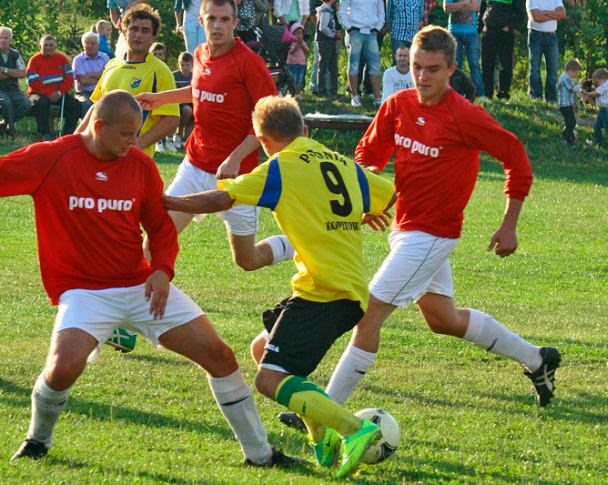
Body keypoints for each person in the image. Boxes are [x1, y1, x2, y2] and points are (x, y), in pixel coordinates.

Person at [275, 28, 560, 437]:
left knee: (366, 315)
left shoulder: (465, 116)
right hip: (405, 229)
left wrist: (509, 223)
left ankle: (324, 410)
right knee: (442, 318)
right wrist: (367, 196)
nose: (422, 77)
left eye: (432, 69)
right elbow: (367, 157)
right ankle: (538, 359)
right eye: (415, 68)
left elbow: (516, 156)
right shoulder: (397, 105)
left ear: (450, 69)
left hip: (433, 235)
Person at [3, 90, 300, 468]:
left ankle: (260, 455)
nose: (135, 141)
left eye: (137, 133)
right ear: (98, 126)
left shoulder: (140, 166)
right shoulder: (51, 157)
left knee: (221, 357)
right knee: (62, 369)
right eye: (127, 134)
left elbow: (160, 228)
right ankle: (37, 441)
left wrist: (161, 270)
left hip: (140, 286)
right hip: (84, 292)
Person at [164, 94, 396, 478]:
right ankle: (319, 430)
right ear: (303, 129)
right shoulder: (340, 162)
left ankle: (355, 429)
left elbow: (221, 196)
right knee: (261, 349)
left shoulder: (280, 167)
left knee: (269, 379)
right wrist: (368, 211)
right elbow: (388, 192)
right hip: (333, 287)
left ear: (264, 141)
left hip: (328, 293)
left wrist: (165, 200)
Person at [136, 0, 294, 279]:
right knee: (156, 239)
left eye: (224, 20)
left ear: (235, 24)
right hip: (194, 166)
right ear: (201, 21)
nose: (217, 26)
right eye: (212, 19)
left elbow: (270, 121)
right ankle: (140, 308)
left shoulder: (249, 63)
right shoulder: (199, 54)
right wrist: (158, 99)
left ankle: (290, 246)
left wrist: (235, 158)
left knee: (247, 259)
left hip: (236, 177)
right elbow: (199, 92)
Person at [81, 4, 180, 158]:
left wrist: (137, 145)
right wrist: (76, 138)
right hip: (99, 154)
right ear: (125, 32)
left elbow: (172, 119)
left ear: (153, 37)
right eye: (134, 29)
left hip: (133, 160)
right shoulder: (112, 64)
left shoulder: (160, 71)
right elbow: (96, 108)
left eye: (145, 31)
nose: (138, 35)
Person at [26, 35, 83, 141]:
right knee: (42, 103)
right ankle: (45, 134)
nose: (48, 47)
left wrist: (59, 92)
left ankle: (67, 135)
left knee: (75, 105)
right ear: (40, 46)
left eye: (51, 45)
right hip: (38, 93)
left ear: (55, 46)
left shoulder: (62, 59)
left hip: (58, 93)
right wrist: (48, 93)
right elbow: (33, 81)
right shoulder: (34, 60)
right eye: (45, 45)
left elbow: (69, 77)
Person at [339, 0, 385, 106]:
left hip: (371, 33)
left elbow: (381, 12)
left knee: (375, 66)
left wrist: (377, 28)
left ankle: (378, 98)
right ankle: (354, 96)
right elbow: (342, 11)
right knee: (354, 65)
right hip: (355, 32)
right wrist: (349, 28)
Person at [478, 0, 525, 100]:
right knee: (486, 64)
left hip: (505, 34)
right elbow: (482, 9)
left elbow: (520, 14)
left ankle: (503, 94)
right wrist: (479, 29)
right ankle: (487, 94)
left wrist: (509, 26)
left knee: (506, 65)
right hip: (488, 31)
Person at [526, 0, 565, 102]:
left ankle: (551, 98)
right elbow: (537, 17)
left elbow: (562, 14)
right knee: (534, 68)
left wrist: (544, 12)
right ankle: (535, 96)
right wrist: (553, 15)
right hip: (535, 35)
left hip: (552, 35)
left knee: (553, 69)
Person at [445, 0, 484, 98]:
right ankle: (456, 94)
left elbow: (475, 7)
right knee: (455, 66)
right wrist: (464, 3)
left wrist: (456, 6)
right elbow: (446, 8)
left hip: (471, 33)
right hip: (454, 32)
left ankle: (479, 94)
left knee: (474, 64)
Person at [0, 26, 31, 139]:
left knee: (26, 104)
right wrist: (13, 73)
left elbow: (23, 73)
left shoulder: (15, 54)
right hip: (1, 90)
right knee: (6, 102)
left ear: (11, 39)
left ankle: (4, 124)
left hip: (13, 89)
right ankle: (12, 131)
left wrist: (5, 70)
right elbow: (17, 73)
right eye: (1, 37)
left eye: (6, 37)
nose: (3, 40)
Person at [72, 32, 110, 117]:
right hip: (84, 93)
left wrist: (89, 75)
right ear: (83, 45)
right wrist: (100, 77)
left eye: (93, 43)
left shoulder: (105, 57)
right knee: (87, 105)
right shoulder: (78, 60)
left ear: (98, 45)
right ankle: (88, 129)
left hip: (102, 92)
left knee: (111, 104)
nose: (90, 45)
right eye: (87, 43)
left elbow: (107, 77)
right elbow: (83, 81)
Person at [582, 68, 608, 148]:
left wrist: (586, 93)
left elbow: (596, 94)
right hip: (603, 110)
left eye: (597, 82)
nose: (597, 84)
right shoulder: (603, 85)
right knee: (597, 126)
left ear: (602, 78)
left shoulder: (606, 84)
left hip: (607, 110)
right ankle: (599, 141)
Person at [315, 0, 340, 97]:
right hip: (325, 41)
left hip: (329, 41)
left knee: (332, 66)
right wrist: (333, 34)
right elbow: (323, 27)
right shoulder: (325, 10)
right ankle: (322, 89)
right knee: (324, 66)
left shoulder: (328, 9)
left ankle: (332, 89)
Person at [171, 51, 194, 149]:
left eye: (187, 65)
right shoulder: (174, 76)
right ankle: (179, 133)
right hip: (178, 103)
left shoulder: (195, 76)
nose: (184, 67)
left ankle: (187, 138)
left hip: (192, 102)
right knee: (187, 110)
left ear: (192, 65)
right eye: (182, 65)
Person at [557, 58, 582, 147]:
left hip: (568, 105)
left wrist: (574, 104)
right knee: (571, 122)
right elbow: (573, 89)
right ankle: (568, 138)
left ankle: (569, 136)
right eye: (576, 73)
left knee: (571, 122)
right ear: (571, 70)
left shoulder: (569, 78)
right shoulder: (565, 78)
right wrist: (581, 84)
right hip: (564, 105)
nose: (576, 75)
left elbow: (571, 94)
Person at [285, 22, 308, 99]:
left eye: (301, 33)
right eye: (297, 33)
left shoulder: (303, 42)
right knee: (293, 79)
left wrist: (302, 45)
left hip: (301, 64)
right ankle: (293, 93)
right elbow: (291, 52)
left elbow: (306, 51)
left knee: (300, 79)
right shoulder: (292, 42)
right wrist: (298, 45)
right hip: (292, 63)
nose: (299, 35)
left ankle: (298, 93)